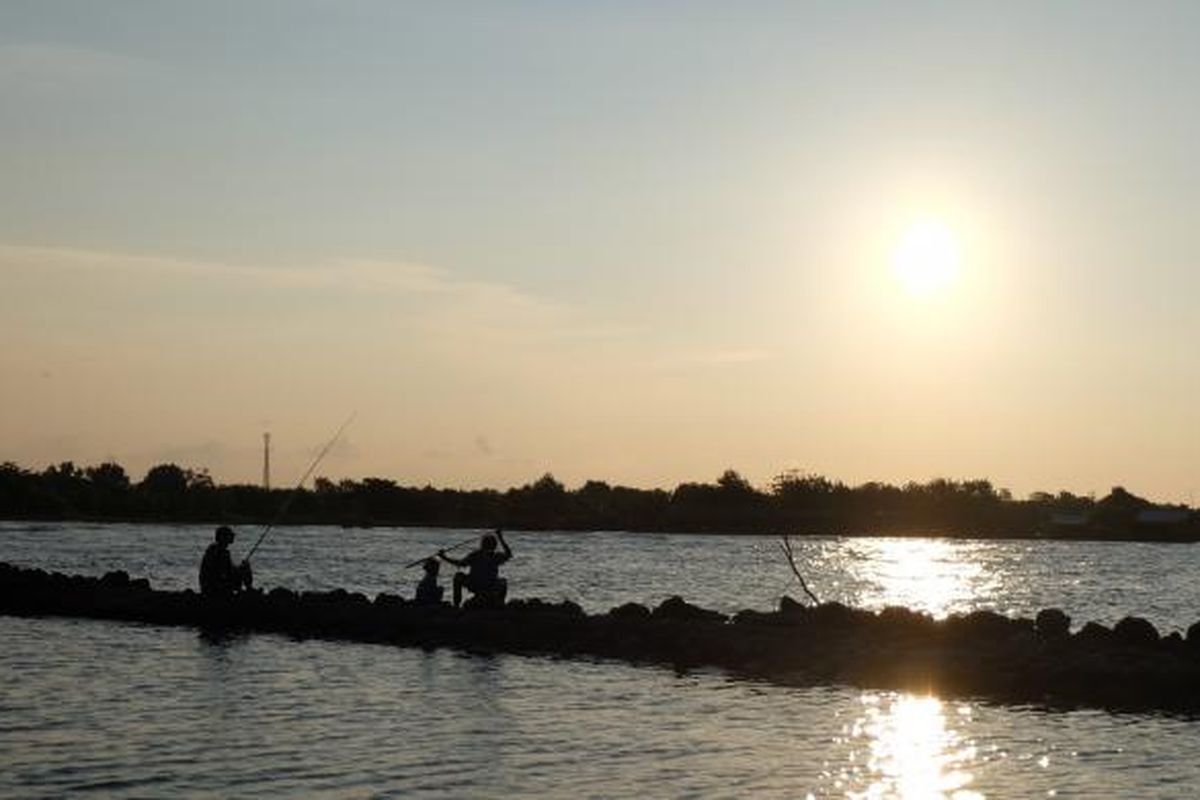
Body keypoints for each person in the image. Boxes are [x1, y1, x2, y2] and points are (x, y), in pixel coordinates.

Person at [439, 529, 511, 608]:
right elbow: (508, 554)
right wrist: (500, 537)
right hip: (489, 586)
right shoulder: (496, 556)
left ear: (482, 544)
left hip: (474, 585)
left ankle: (456, 605)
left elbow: (460, 563)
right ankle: (500, 604)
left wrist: (444, 557)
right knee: (503, 582)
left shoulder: (476, 555)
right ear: (494, 546)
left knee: (458, 576)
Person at [199, 525, 253, 599]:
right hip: (215, 588)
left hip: (214, 586)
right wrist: (240, 570)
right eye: (230, 535)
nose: (232, 537)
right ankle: (249, 590)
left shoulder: (216, 550)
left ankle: (247, 591)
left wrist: (239, 569)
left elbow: (227, 570)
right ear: (222, 537)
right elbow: (223, 572)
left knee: (244, 567)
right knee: (245, 568)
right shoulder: (219, 552)